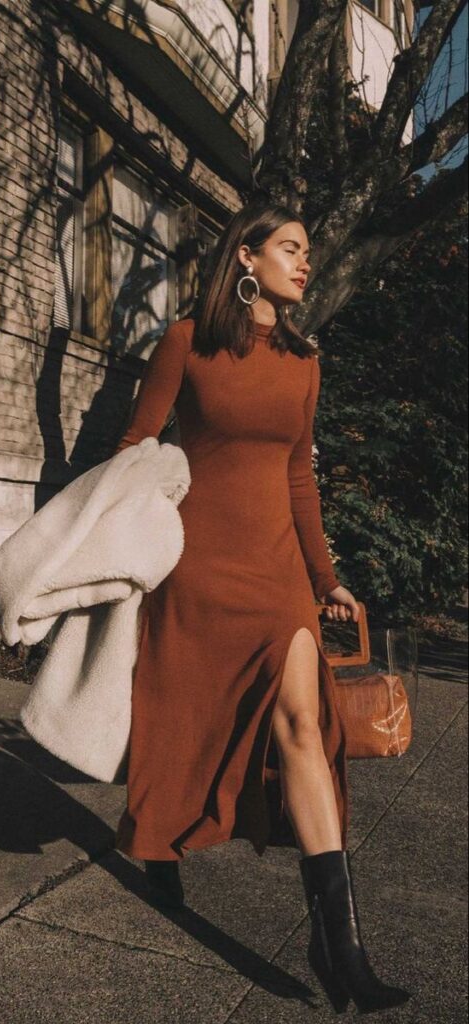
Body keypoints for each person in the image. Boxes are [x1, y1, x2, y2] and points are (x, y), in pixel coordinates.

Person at [112, 198, 411, 1014]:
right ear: (244, 258)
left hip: (278, 574)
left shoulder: (303, 361)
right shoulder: (187, 343)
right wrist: (132, 527)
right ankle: (159, 845)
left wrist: (325, 580)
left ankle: (338, 946)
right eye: (288, 247)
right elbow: (135, 445)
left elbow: (297, 477)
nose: (303, 261)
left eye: (306, 250)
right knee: (180, 718)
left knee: (303, 731)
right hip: (196, 567)